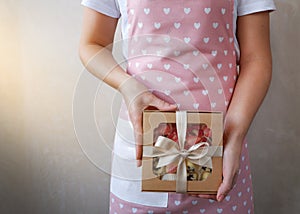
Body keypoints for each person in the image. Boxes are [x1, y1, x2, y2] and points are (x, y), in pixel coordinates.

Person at [79, 0, 276, 213]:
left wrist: (233, 137)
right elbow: (92, 43)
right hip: (140, 153)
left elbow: (256, 58)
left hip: (221, 149)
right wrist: (129, 88)